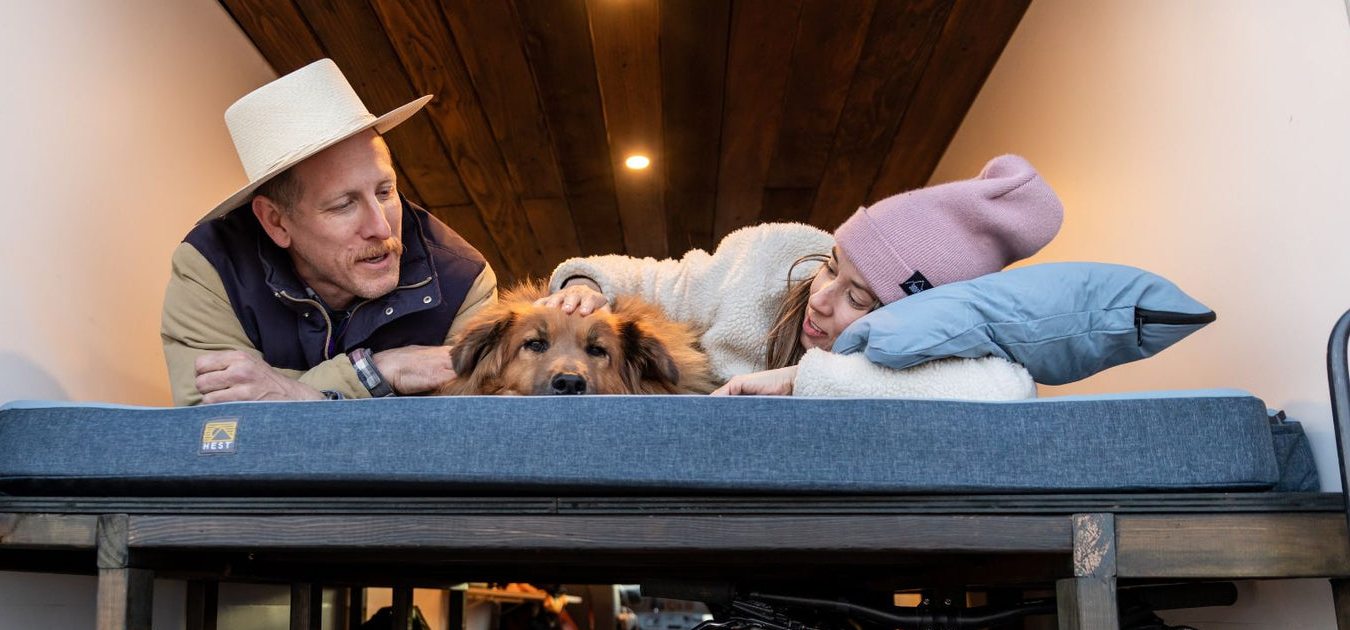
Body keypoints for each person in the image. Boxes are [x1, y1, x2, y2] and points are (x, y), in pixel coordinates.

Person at [538, 154, 1063, 399]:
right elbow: (656, 281)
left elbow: (1008, 389)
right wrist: (585, 286)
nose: (822, 299)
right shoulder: (769, 258)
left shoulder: (941, 349)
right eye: (833, 267)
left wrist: (802, 378)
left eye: (858, 299)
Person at [161, 59, 497, 405]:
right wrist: (374, 372)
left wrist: (293, 395)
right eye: (344, 205)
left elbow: (458, 433)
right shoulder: (210, 269)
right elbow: (217, 427)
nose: (382, 227)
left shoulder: (464, 282)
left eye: (385, 191)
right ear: (276, 222)